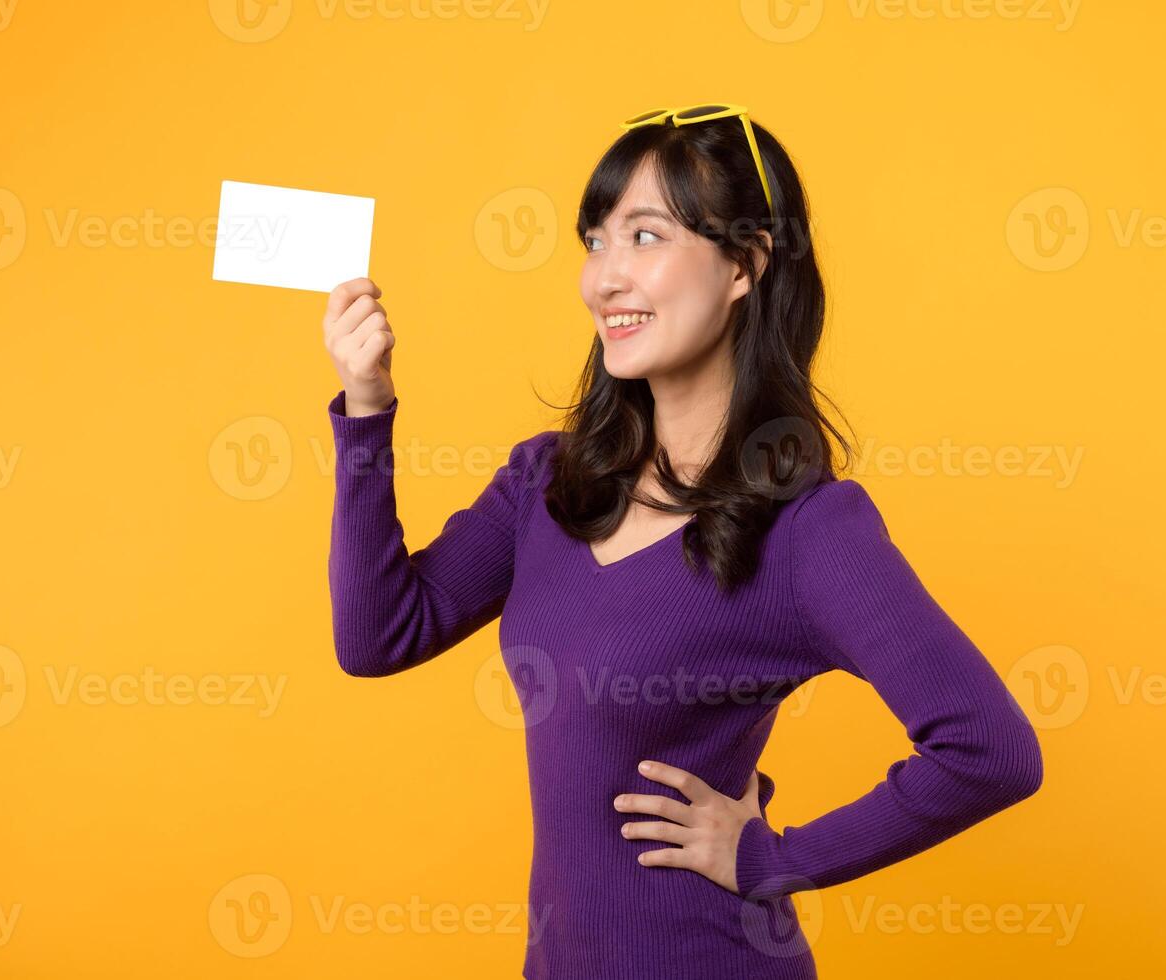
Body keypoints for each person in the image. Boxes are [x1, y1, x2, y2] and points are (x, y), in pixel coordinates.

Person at [321, 104, 1043, 979]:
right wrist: (368, 406)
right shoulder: (547, 484)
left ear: (745, 263)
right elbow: (377, 637)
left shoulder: (808, 530)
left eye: (645, 236)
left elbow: (990, 751)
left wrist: (771, 859)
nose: (605, 279)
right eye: (595, 242)